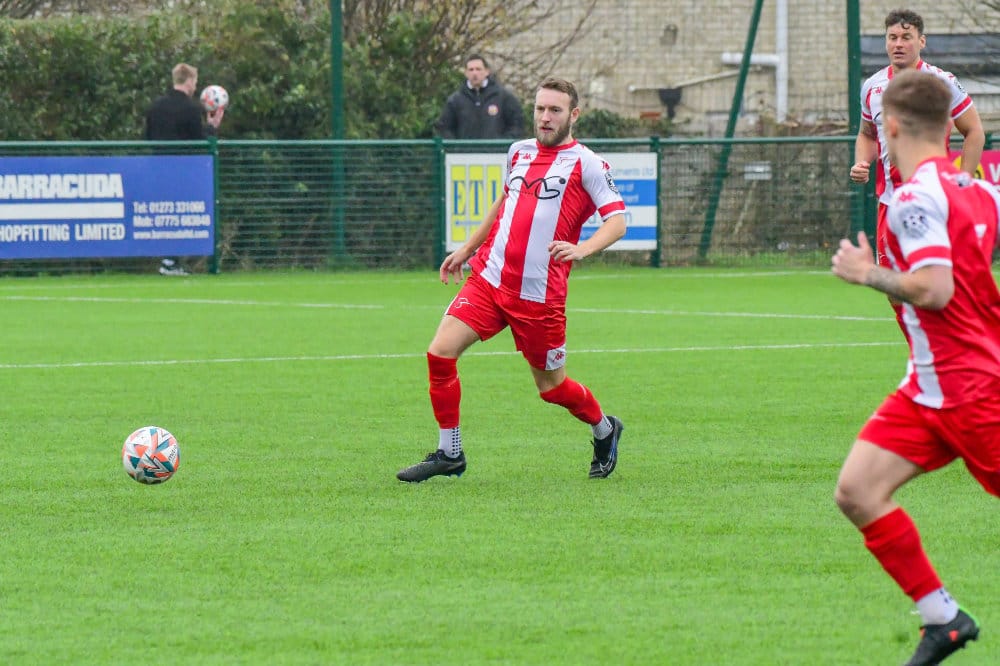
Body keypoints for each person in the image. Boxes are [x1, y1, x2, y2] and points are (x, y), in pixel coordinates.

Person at [832, 70, 1000, 666]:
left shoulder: (911, 198)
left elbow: (934, 289)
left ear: (892, 127)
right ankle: (944, 618)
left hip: (970, 390)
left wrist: (867, 273)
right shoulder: (979, 191)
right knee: (857, 490)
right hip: (929, 388)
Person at [397, 77, 626, 483]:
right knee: (440, 353)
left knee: (552, 389)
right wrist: (467, 249)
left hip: (538, 297)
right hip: (489, 278)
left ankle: (604, 428)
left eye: (554, 110)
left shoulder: (587, 163)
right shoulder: (519, 151)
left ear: (573, 115)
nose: (545, 117)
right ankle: (450, 452)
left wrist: (583, 249)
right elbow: (504, 202)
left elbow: (618, 221)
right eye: (540, 108)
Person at [850, 8, 985, 274]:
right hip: (890, 203)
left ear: (921, 41)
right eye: (892, 38)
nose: (898, 44)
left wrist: (963, 183)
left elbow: (974, 131)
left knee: (935, 280)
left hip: (932, 199)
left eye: (906, 37)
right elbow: (867, 134)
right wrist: (861, 163)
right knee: (893, 283)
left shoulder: (941, 82)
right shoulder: (872, 87)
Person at [144, 63, 225, 276]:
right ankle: (170, 261)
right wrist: (212, 127)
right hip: (182, 170)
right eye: (195, 81)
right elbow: (198, 141)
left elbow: (148, 136)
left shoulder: (155, 106)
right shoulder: (191, 109)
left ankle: (170, 260)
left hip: (157, 168)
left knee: (165, 213)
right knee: (181, 214)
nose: (195, 86)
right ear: (189, 81)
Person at [435, 54, 525, 140]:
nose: (475, 73)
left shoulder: (504, 97)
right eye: (471, 70)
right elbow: (444, 127)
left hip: (495, 151)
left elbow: (516, 124)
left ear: (487, 71)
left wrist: (502, 144)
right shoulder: (455, 100)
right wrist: (456, 146)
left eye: (478, 69)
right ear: (466, 73)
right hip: (465, 151)